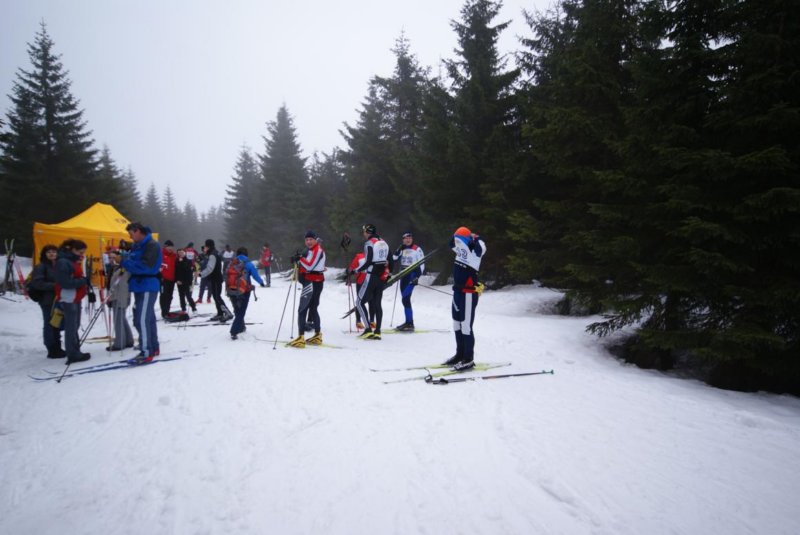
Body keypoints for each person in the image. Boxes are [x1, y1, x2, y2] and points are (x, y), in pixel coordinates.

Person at [443, 226, 486, 370]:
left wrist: (475, 237)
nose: (457, 243)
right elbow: (451, 243)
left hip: (468, 293)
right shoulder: (460, 249)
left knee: (466, 326)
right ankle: (459, 354)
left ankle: (468, 358)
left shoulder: (475, 252)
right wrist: (457, 235)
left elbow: (481, 247)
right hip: (457, 291)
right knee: (457, 324)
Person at [122, 222, 163, 363]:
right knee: (147, 318)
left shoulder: (152, 245)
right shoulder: (138, 245)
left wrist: (123, 262)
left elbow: (145, 267)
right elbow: (133, 259)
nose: (130, 237)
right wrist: (124, 257)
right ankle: (153, 346)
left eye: (131, 234)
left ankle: (146, 352)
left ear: (138, 231)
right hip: (139, 285)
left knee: (142, 319)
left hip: (147, 284)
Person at [54, 239, 90, 364]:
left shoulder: (71, 260)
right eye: (80, 252)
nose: (81, 255)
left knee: (75, 325)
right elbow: (65, 283)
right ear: (72, 250)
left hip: (75, 297)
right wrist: (83, 281)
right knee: (71, 326)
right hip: (69, 297)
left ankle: (75, 350)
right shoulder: (63, 262)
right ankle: (73, 353)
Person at [288, 231, 326, 348]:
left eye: (311, 239)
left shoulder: (317, 250)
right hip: (315, 282)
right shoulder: (311, 251)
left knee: (302, 309)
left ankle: (301, 338)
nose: (308, 242)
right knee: (313, 309)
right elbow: (307, 265)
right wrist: (297, 259)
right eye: (306, 240)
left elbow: (310, 266)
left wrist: (300, 258)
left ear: (315, 240)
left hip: (312, 283)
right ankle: (317, 335)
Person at [354, 223, 389, 340]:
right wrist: (388, 273)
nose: (363, 234)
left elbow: (368, 261)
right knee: (377, 304)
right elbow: (389, 260)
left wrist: (355, 270)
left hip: (371, 276)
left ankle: (368, 330)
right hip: (381, 277)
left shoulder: (369, 243)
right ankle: (377, 331)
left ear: (367, 232)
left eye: (364, 232)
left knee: (359, 302)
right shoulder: (383, 242)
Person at [28, 244, 64, 358]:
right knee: (49, 324)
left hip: (58, 299)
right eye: (49, 252)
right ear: (44, 254)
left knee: (56, 322)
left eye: (54, 251)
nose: (52, 254)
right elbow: (37, 283)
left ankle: (57, 347)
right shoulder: (41, 267)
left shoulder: (58, 266)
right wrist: (55, 286)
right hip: (47, 300)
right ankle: (52, 348)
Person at [227, 247, 265, 340]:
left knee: (237, 309)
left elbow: (226, 274)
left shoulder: (232, 263)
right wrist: (261, 282)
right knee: (241, 311)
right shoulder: (248, 264)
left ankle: (241, 327)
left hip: (231, 289)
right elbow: (255, 275)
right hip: (244, 290)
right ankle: (234, 331)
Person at [392, 231, 425, 331]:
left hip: (412, 276)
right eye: (406, 238)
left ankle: (409, 323)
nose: (408, 240)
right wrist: (398, 249)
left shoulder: (417, 249)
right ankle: (409, 322)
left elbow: (422, 264)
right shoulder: (403, 249)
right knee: (405, 299)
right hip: (403, 276)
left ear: (412, 239)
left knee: (405, 299)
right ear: (403, 240)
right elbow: (394, 259)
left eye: (410, 238)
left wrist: (417, 277)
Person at [106, 250, 135, 351]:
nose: (112, 260)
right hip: (117, 296)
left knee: (118, 320)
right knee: (121, 318)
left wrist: (113, 297)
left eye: (114, 257)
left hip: (120, 297)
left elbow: (120, 284)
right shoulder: (115, 268)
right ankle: (128, 340)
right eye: (110, 258)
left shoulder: (123, 269)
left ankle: (120, 343)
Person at [199, 239, 233, 322]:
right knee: (215, 296)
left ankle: (228, 312)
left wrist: (201, 274)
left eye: (205, 246)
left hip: (216, 279)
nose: (205, 248)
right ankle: (220, 313)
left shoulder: (212, 255)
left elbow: (210, 268)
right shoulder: (214, 252)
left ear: (208, 246)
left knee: (217, 297)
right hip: (215, 278)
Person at [347, 251, 368, 329]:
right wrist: (348, 273)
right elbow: (352, 267)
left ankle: (371, 321)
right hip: (361, 281)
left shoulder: (375, 255)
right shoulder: (359, 256)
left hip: (371, 282)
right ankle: (358, 321)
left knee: (371, 301)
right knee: (359, 301)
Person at [175, 248, 197, 313]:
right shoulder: (176, 261)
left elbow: (189, 271)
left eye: (182, 253)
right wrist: (177, 280)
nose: (180, 254)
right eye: (179, 253)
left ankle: (193, 308)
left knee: (188, 296)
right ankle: (183, 308)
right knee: (181, 296)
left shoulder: (188, 261)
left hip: (187, 281)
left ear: (184, 253)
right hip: (179, 281)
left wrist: (190, 281)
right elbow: (176, 272)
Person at [159, 240, 177, 317]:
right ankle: (164, 312)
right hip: (163, 279)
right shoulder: (160, 254)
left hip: (172, 279)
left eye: (171, 247)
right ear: (165, 247)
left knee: (170, 296)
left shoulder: (174, 255)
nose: (170, 248)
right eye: (169, 247)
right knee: (164, 296)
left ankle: (167, 310)